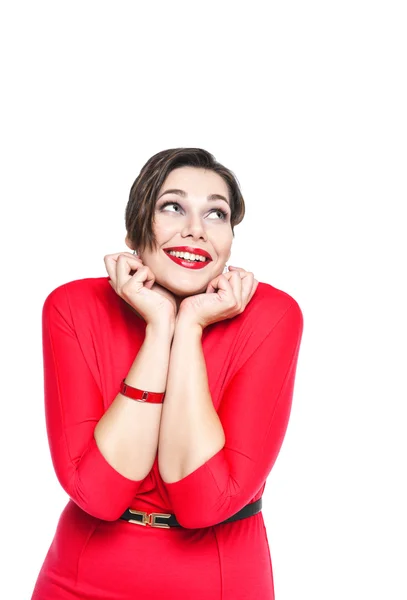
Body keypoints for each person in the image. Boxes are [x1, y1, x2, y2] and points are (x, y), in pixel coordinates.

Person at [31, 147, 304, 600]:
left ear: (230, 240)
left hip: (217, 582)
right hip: (78, 580)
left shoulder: (272, 316)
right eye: (172, 207)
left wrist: (191, 326)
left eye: (216, 214)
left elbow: (204, 503)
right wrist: (160, 328)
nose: (195, 230)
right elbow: (98, 495)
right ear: (135, 227)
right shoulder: (73, 307)